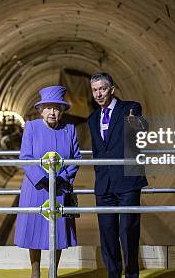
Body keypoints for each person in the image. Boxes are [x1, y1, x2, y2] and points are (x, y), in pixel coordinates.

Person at [14, 85, 82, 278]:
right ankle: (35, 272)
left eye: (57, 108)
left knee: (58, 231)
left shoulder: (70, 129)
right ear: (41, 110)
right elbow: (25, 157)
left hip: (60, 188)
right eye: (49, 107)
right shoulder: (31, 128)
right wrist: (43, 179)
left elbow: (76, 158)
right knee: (34, 230)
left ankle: (54, 270)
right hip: (36, 187)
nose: (53, 112)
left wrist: (62, 178)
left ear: (62, 111)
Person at [87, 73, 148, 278]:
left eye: (102, 89)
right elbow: (98, 150)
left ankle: (131, 274)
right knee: (107, 233)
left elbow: (138, 137)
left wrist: (135, 124)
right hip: (104, 185)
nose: (98, 94)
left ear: (112, 89)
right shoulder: (93, 118)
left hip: (127, 182)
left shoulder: (130, 108)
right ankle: (113, 274)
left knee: (128, 232)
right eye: (95, 90)